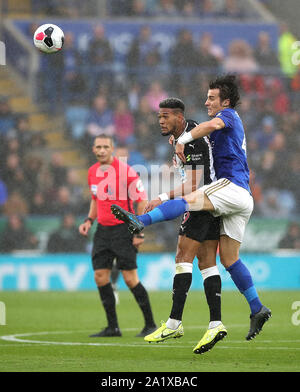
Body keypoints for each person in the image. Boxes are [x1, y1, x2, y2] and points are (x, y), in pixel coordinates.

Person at [111, 75, 271, 344]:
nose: (206, 101)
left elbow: (211, 126)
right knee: (228, 260)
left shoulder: (228, 115)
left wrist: (184, 138)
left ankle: (141, 221)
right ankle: (257, 308)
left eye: (211, 98)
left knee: (189, 206)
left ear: (226, 101)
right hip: (239, 198)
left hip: (230, 187)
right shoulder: (213, 128)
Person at [140, 98, 226, 354]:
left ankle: (174, 322)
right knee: (208, 263)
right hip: (212, 202)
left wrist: (162, 197)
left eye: (166, 116)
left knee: (182, 256)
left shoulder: (193, 139)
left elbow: (194, 183)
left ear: (179, 117)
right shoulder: (182, 139)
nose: (161, 121)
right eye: (159, 117)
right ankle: (216, 323)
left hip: (201, 202)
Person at [79, 134, 156, 338]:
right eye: (98, 147)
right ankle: (113, 327)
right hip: (103, 231)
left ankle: (150, 324)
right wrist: (89, 221)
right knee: (100, 276)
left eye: (105, 146)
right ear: (93, 149)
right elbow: (96, 200)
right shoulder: (93, 172)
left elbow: (141, 201)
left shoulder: (127, 172)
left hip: (124, 230)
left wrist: (138, 230)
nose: (101, 150)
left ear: (112, 149)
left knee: (130, 279)